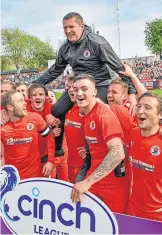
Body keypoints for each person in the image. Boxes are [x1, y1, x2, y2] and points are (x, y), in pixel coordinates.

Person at [35, 12, 137, 114]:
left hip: (100, 85)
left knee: (93, 112)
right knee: (56, 112)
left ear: (81, 26)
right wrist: (34, 85)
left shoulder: (97, 43)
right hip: (79, 86)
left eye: (71, 27)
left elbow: (119, 68)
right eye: (65, 28)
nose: (68, 31)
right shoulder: (64, 48)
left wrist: (132, 93)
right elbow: (55, 70)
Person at [71, 74, 129, 214]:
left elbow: (117, 152)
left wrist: (88, 181)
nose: (79, 93)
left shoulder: (103, 114)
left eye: (84, 89)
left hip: (111, 188)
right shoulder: (87, 114)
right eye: (76, 89)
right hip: (96, 183)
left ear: (94, 92)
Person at [1, 91, 54, 179]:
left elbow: (50, 137)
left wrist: (50, 161)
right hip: (11, 178)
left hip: (34, 177)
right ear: (10, 107)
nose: (25, 103)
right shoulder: (2, 125)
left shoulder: (35, 118)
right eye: (21, 101)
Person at [127, 92, 162, 222]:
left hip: (158, 217)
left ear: (160, 115)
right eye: (139, 106)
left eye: (148, 107)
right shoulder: (133, 133)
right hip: (133, 210)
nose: (140, 111)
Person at [64, 76, 90, 183]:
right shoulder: (67, 110)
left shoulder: (88, 111)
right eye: (68, 87)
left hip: (84, 167)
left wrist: (89, 151)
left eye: (73, 88)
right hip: (70, 164)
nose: (70, 90)